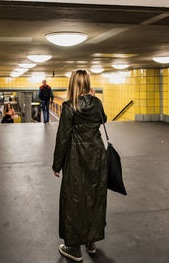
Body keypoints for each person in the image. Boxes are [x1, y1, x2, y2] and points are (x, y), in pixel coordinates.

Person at [52, 70, 107, 262]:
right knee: (94, 196)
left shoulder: (69, 107)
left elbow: (63, 137)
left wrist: (56, 164)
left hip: (76, 157)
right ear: (88, 84)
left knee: (74, 199)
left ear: (72, 85)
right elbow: (103, 119)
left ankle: (73, 248)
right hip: (97, 156)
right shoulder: (97, 103)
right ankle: (91, 242)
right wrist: (93, 98)